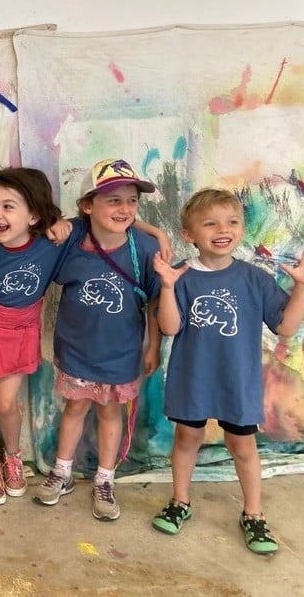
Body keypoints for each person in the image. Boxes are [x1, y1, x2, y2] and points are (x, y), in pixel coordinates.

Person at [151, 188, 304, 554]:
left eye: (232, 222)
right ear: (189, 235)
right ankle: (180, 501)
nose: (223, 229)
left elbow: (285, 327)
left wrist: (301, 287)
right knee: (187, 440)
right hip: (193, 380)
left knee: (243, 446)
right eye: (210, 223)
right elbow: (170, 327)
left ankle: (253, 513)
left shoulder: (254, 278)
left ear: (241, 229)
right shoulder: (182, 276)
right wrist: (169, 287)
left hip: (238, 382)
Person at [33, 158, 162, 521]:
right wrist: (58, 226)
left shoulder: (144, 249)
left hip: (121, 355)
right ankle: (62, 471)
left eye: (131, 201)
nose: (124, 209)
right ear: (88, 205)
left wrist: (153, 345)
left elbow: (154, 301)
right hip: (76, 352)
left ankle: (105, 479)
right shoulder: (72, 238)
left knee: (110, 413)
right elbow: (48, 240)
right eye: (113, 200)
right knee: (75, 408)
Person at [0, 167, 75, 505]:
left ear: (34, 214)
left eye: (8, 206)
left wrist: (63, 224)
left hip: (21, 329)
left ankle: (12, 456)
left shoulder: (51, 244)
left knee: (5, 402)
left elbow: (88, 224)